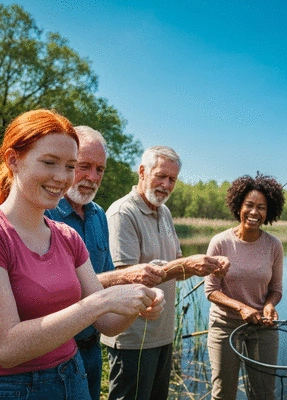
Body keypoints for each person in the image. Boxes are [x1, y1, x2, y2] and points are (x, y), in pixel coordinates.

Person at [0, 109, 165, 399]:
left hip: (74, 378)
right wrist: (99, 303)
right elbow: (7, 348)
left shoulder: (68, 238)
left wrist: (140, 300)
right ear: (14, 160)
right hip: (17, 389)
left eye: (69, 166)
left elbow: (107, 324)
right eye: (50, 162)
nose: (61, 177)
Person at [46, 125, 167, 400]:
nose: (92, 177)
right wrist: (128, 277)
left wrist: (141, 299)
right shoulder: (45, 212)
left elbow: (104, 285)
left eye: (99, 170)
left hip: (91, 349)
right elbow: (58, 287)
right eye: (83, 166)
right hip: (52, 354)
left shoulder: (98, 214)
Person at [100, 145, 230, 400]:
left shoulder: (165, 212)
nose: (166, 184)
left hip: (162, 335)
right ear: (142, 172)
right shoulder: (122, 212)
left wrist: (206, 264)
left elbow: (178, 267)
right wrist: (185, 265)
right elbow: (129, 277)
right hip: (132, 339)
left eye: (172, 179)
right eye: (161, 176)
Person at [204, 173, 285, 400]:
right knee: (223, 393)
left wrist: (269, 306)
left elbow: (276, 289)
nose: (254, 212)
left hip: (263, 326)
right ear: (238, 206)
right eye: (249, 205)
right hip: (224, 325)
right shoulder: (220, 242)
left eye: (261, 207)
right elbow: (211, 291)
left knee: (263, 394)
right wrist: (240, 308)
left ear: (269, 212)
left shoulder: (274, 245)